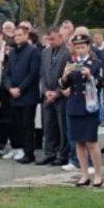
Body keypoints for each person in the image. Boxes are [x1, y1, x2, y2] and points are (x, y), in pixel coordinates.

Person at [59, 34, 104, 187]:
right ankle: (84, 175)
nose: (79, 50)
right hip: (74, 105)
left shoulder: (96, 63)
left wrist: (90, 75)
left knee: (92, 142)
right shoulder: (71, 62)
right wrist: (65, 76)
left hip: (89, 106)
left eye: (82, 47)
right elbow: (63, 85)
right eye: (77, 47)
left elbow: (100, 82)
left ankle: (98, 174)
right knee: (78, 143)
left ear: (88, 47)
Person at [3, 23, 41, 163]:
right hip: (14, 96)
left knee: (27, 126)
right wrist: (9, 88)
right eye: (16, 35)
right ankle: (23, 151)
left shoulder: (33, 51)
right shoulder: (12, 52)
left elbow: (33, 73)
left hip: (27, 96)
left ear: (26, 35)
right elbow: (7, 74)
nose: (17, 37)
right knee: (17, 126)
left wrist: (20, 89)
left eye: (20, 35)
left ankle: (29, 154)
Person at [37, 27, 71, 166]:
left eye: (53, 39)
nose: (50, 42)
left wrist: (57, 92)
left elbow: (67, 77)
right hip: (47, 95)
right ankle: (50, 153)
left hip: (61, 96)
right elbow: (42, 74)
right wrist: (46, 92)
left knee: (62, 127)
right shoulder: (45, 52)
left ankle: (63, 155)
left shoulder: (67, 53)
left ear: (60, 37)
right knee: (49, 126)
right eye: (48, 39)